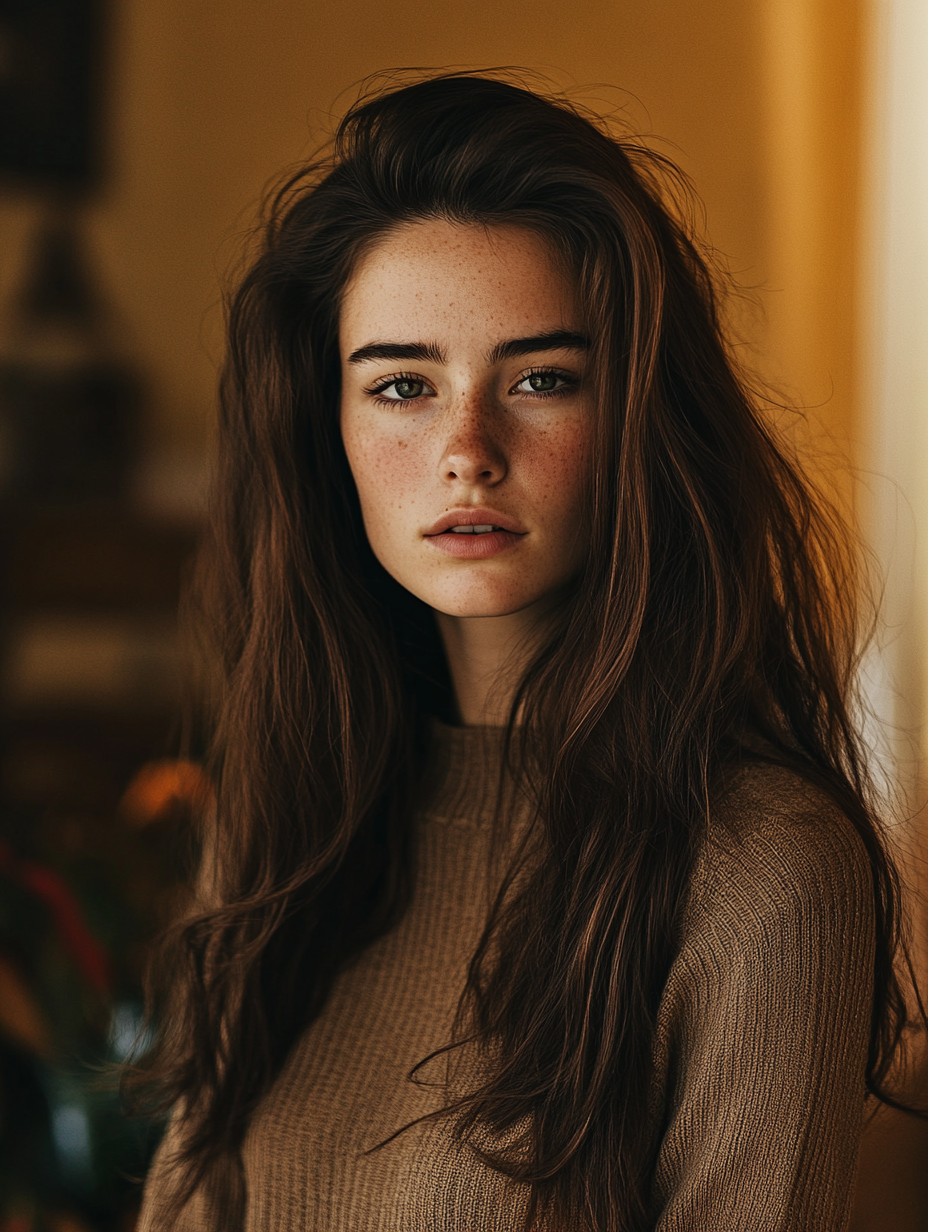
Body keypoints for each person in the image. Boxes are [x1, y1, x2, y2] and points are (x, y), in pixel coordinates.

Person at [134, 72, 918, 1231]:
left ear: (640, 418)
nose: (466, 448)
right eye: (402, 384)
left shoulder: (763, 873)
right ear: (327, 430)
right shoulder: (289, 822)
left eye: (542, 379)